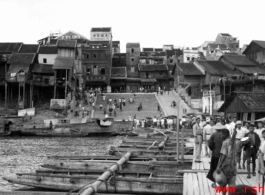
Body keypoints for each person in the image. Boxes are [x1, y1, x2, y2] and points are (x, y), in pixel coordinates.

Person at [216, 129, 237, 195]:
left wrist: (219, 166)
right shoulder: (234, 142)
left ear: (225, 134)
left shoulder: (225, 142)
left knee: (223, 183)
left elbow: (224, 155)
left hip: (225, 165)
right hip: (233, 166)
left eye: (222, 134)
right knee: (232, 183)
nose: (221, 136)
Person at [207, 122, 226, 188]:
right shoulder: (225, 135)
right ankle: (222, 183)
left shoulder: (214, 134)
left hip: (215, 154)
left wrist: (212, 149)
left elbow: (209, 143)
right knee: (223, 169)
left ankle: (214, 183)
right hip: (224, 155)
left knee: (213, 168)